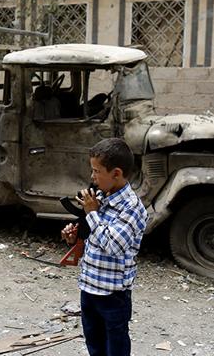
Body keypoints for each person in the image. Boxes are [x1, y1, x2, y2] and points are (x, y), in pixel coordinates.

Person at [61, 138, 148, 356]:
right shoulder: (99, 197)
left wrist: (92, 213)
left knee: (115, 348)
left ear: (116, 173)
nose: (92, 177)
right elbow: (94, 237)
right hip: (89, 287)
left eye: (97, 171)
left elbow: (112, 245)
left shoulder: (132, 208)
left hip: (112, 294)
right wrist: (74, 236)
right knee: (94, 346)